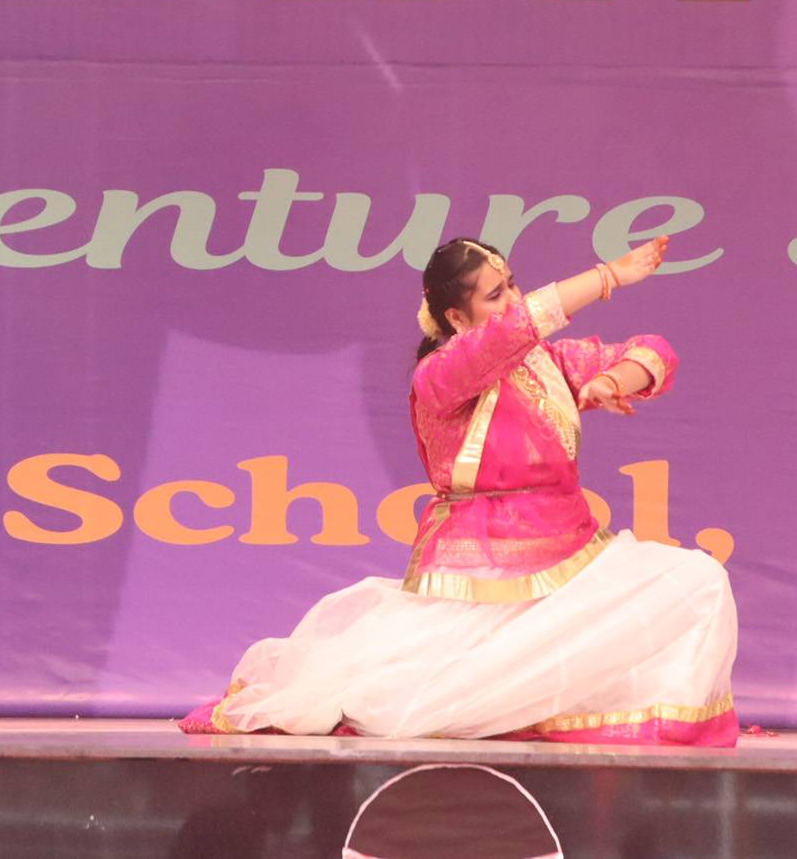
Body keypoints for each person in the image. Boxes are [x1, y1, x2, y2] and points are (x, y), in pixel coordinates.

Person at [179, 237, 738, 745]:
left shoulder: (544, 362)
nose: (511, 301)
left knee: (699, 582)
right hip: (483, 571)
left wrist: (611, 381)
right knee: (407, 704)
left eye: (512, 285)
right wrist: (608, 276)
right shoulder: (442, 376)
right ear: (454, 316)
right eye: (495, 295)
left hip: (575, 554)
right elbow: (517, 328)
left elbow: (653, 349)